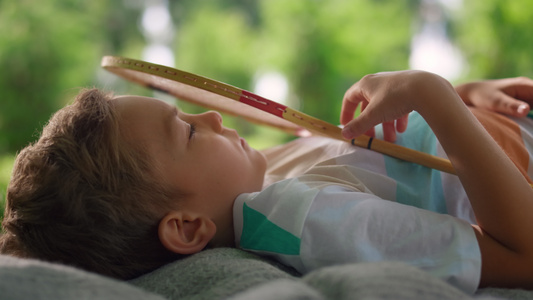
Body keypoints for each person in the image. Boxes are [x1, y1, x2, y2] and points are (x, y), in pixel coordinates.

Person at [1, 71, 533, 294]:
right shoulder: (309, 221)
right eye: (186, 131)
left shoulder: (257, 184)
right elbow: (523, 256)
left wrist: (467, 97)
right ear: (187, 228)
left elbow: (392, 157)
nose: (210, 119)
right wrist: (433, 93)